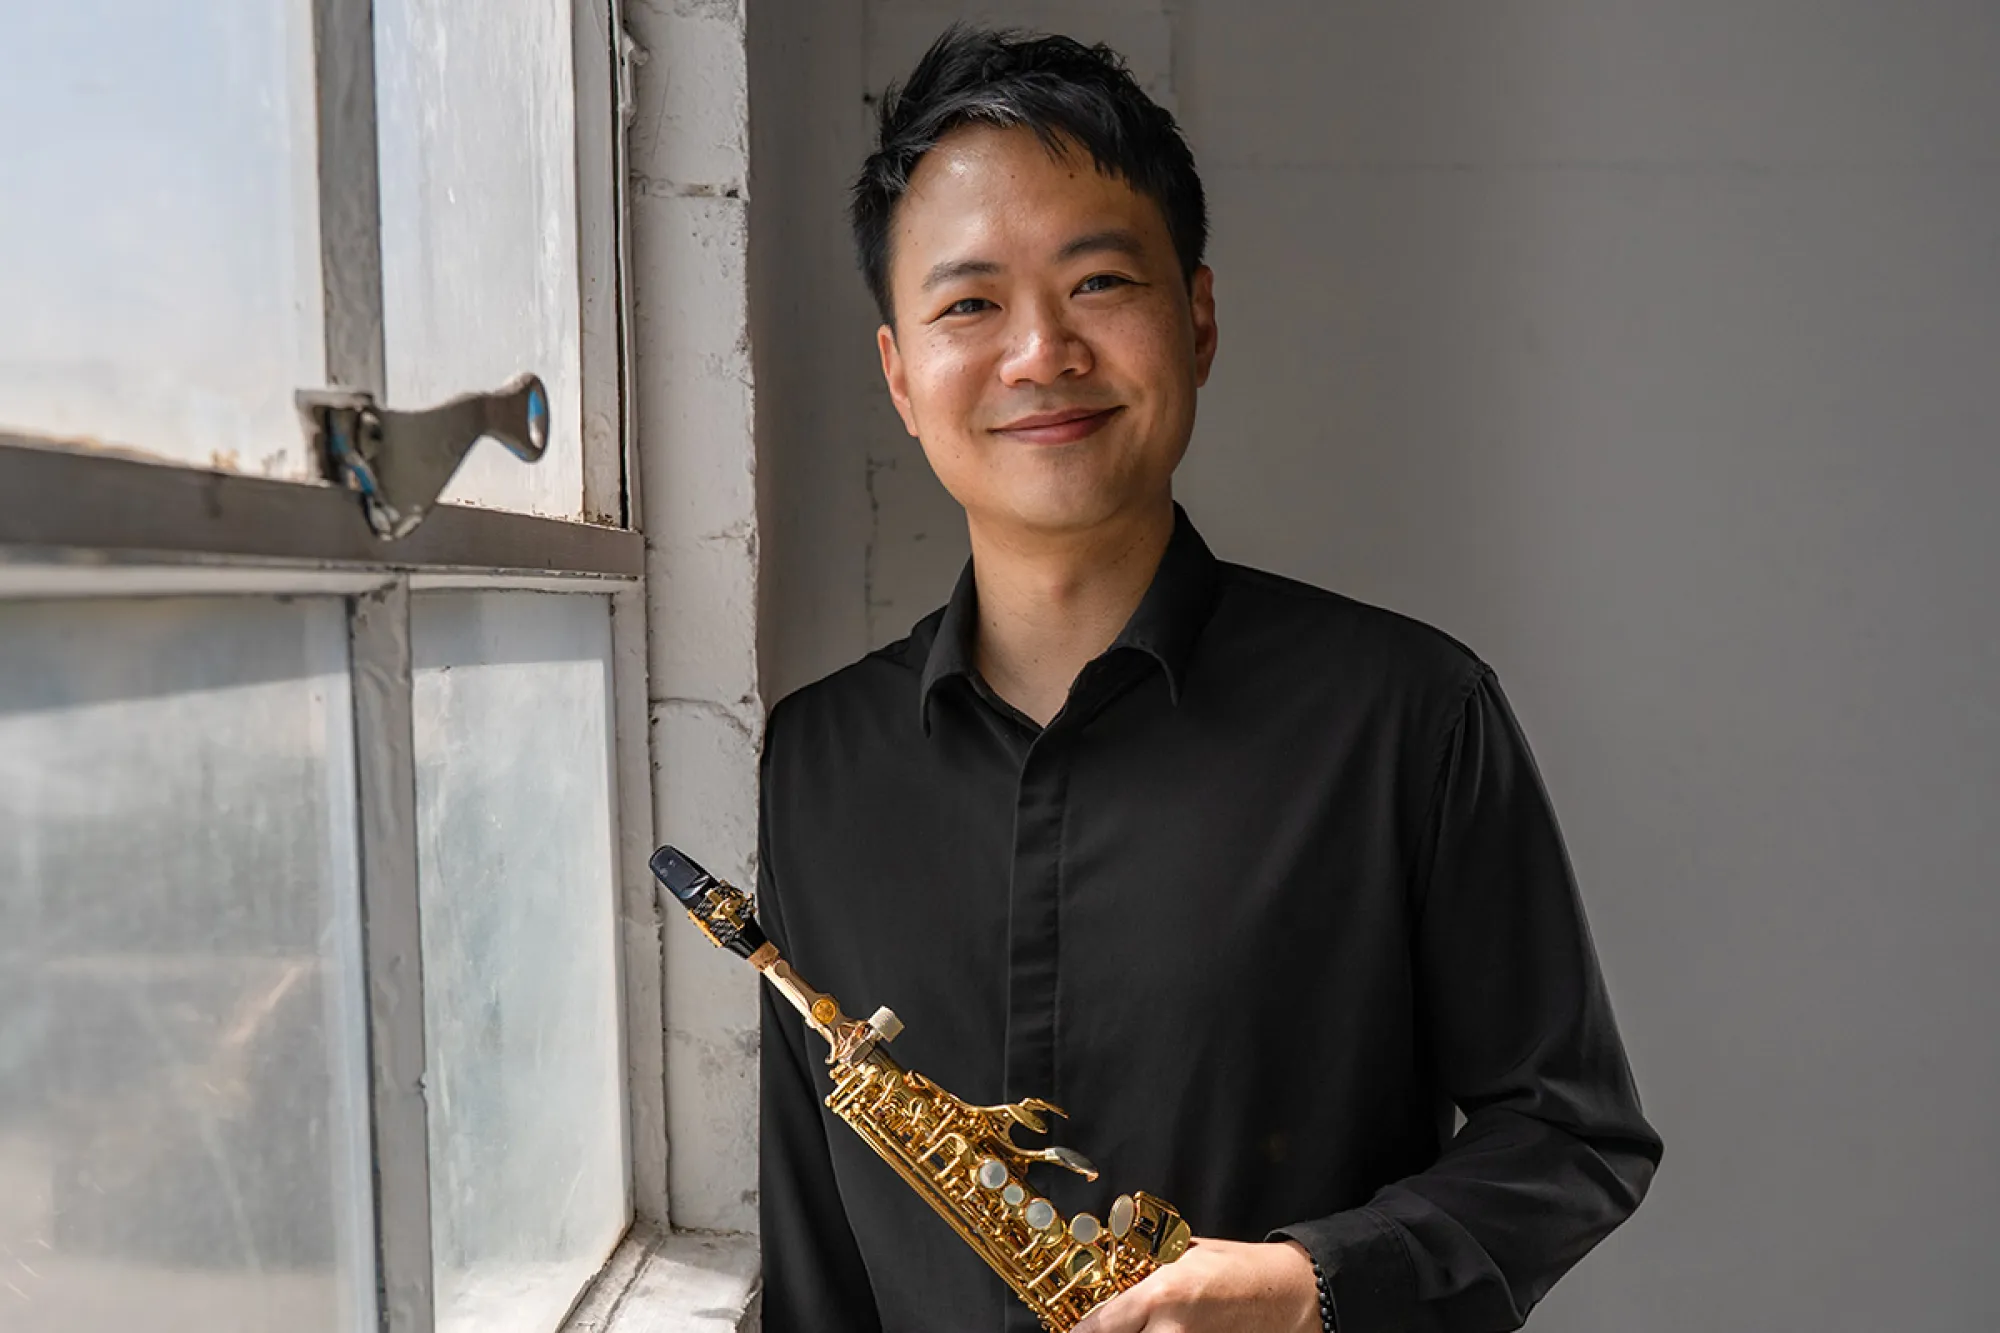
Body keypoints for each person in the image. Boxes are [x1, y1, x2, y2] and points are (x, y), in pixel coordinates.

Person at [756, 25, 1661, 1333]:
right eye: (968, 305)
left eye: (1099, 283)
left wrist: (1313, 1285)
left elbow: (1574, 1135)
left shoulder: (1410, 717)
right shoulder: (809, 767)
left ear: (1198, 318)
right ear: (900, 374)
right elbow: (811, 1265)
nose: (1039, 354)